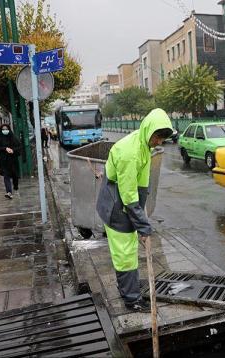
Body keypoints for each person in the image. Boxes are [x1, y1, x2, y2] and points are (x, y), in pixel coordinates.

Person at [96, 108, 173, 312]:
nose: (159, 142)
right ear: (149, 131)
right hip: (116, 204)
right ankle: (131, 299)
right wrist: (143, 226)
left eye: (162, 139)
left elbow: (141, 184)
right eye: (158, 137)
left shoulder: (144, 144)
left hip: (125, 201)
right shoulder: (129, 153)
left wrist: (142, 213)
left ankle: (127, 288)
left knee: (128, 249)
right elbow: (129, 195)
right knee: (125, 253)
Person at [0, 124, 20, 199]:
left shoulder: (13, 138)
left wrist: (13, 150)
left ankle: (15, 187)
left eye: (6, 129)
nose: (5, 131)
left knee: (15, 176)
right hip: (4, 161)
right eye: (3, 129)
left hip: (13, 160)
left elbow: (19, 147)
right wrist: (5, 148)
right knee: (6, 176)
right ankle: (9, 192)